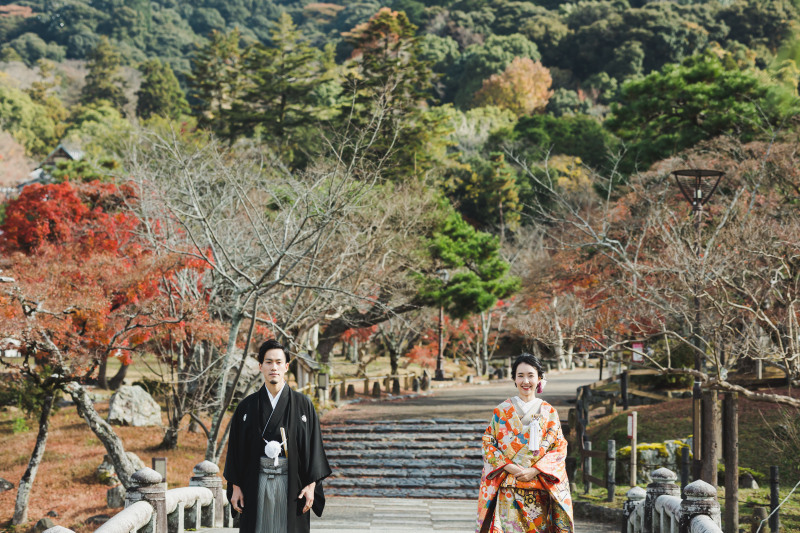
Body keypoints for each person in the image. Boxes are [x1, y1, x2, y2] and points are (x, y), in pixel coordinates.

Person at [224, 339, 331, 533]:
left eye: (279, 362)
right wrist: (235, 485)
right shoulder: (246, 407)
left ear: (286, 366)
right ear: (260, 366)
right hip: (254, 483)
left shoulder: (303, 405)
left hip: (292, 484)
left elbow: (314, 448)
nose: (274, 367)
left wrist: (311, 485)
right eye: (269, 362)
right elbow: (235, 451)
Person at [476, 353, 574, 533]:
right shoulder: (502, 411)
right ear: (514, 378)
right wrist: (509, 467)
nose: (525, 381)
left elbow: (559, 448)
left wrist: (535, 470)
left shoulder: (549, 412)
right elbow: (488, 443)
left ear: (539, 378)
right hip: (508, 487)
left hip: (538, 489)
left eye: (530, 375)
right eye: (520, 376)